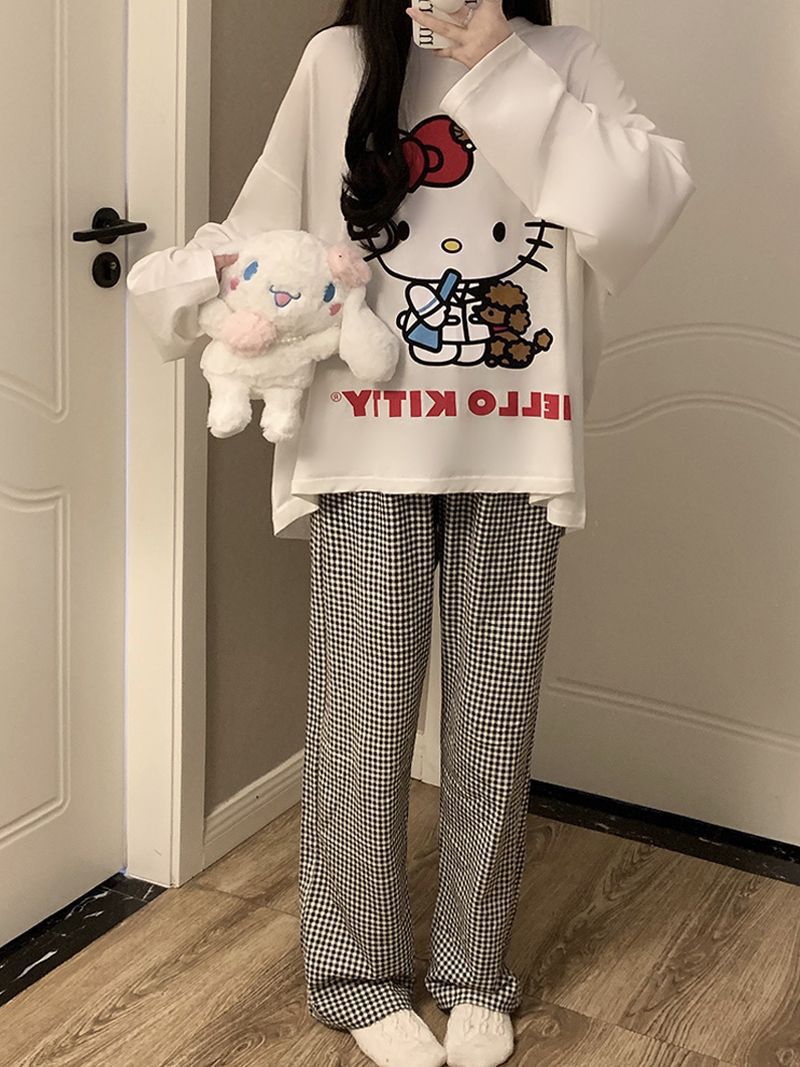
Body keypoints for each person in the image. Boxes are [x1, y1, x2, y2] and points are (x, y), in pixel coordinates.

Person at [127, 2, 696, 1065]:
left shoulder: (563, 58)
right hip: (365, 439)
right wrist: (192, 291)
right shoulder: (338, 58)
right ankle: (354, 972)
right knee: (362, 715)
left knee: (495, 718)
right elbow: (270, 222)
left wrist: (499, 62)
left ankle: (475, 968)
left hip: (518, 441)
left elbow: (642, 202)